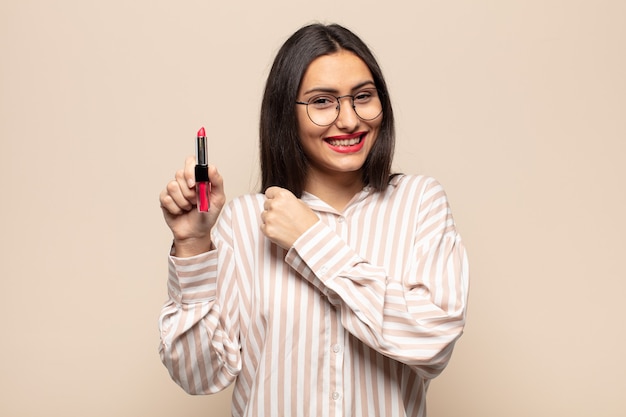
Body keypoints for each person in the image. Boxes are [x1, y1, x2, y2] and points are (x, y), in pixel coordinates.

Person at [158, 23, 469, 417]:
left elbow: (432, 341)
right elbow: (198, 375)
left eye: (363, 97)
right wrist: (191, 246)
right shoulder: (244, 221)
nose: (349, 120)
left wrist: (310, 240)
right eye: (322, 102)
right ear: (286, 113)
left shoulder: (419, 202)